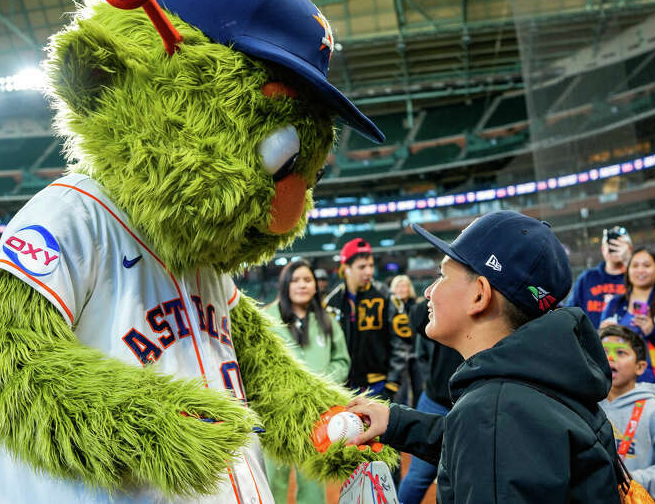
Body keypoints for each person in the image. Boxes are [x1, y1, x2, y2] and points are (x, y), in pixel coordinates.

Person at [347, 211, 620, 503]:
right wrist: (396, 422)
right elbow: (492, 450)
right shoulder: (532, 386)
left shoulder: (495, 410)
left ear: (479, 295)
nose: (428, 291)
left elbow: (492, 441)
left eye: (442, 276)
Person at [263, 260, 350, 504]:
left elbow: (341, 361)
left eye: (307, 280)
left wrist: (320, 385)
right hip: (275, 414)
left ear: (315, 285)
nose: (302, 285)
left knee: (312, 482)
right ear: (285, 285)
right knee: (272, 481)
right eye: (296, 279)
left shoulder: (327, 321)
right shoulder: (267, 319)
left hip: (315, 415)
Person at [599, 326, 655, 504]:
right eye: (603, 351)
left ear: (640, 367)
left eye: (621, 352)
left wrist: (629, 482)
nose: (610, 358)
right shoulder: (588, 406)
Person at [600, 248, 655, 416]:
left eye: (646, 265)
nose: (640, 270)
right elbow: (601, 348)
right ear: (628, 271)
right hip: (621, 386)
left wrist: (653, 332)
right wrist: (603, 334)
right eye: (635, 266)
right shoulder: (615, 304)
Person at [323, 238, 411, 401]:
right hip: (344, 387)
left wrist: (392, 384)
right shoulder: (331, 302)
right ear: (347, 268)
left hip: (379, 386)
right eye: (362, 267)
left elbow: (401, 343)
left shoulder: (386, 297)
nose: (369, 271)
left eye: (370, 265)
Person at [396, 295, 463, 504]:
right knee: (418, 477)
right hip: (438, 399)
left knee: (465, 480)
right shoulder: (451, 298)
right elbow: (417, 317)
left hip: (473, 402)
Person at [569, 225, 633, 328]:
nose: (613, 247)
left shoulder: (637, 277)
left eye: (618, 243)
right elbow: (571, 314)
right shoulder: (587, 278)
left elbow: (645, 305)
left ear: (629, 249)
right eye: (610, 243)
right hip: (593, 342)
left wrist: (628, 262)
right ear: (603, 249)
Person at [389, 274, 421, 406]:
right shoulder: (389, 307)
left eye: (404, 286)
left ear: (409, 288)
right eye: (398, 286)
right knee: (400, 391)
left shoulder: (417, 305)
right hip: (397, 355)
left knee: (419, 387)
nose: (401, 289)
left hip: (415, 353)